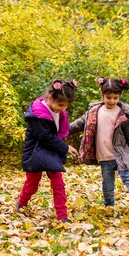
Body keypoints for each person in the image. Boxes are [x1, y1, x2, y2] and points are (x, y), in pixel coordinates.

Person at [69, 77, 129, 215]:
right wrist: (61, 129)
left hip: (121, 154)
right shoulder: (94, 111)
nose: (112, 101)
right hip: (104, 156)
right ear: (102, 95)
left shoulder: (125, 113)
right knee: (107, 185)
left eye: (115, 97)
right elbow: (78, 124)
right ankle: (109, 207)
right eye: (109, 97)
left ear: (120, 96)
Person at [18, 79, 78, 223]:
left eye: (65, 106)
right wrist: (65, 148)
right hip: (35, 151)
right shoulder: (38, 114)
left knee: (58, 183)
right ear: (50, 98)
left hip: (52, 151)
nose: (61, 108)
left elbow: (58, 134)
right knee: (32, 184)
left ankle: (62, 216)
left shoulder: (60, 113)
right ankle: (21, 202)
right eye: (60, 104)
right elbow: (45, 137)